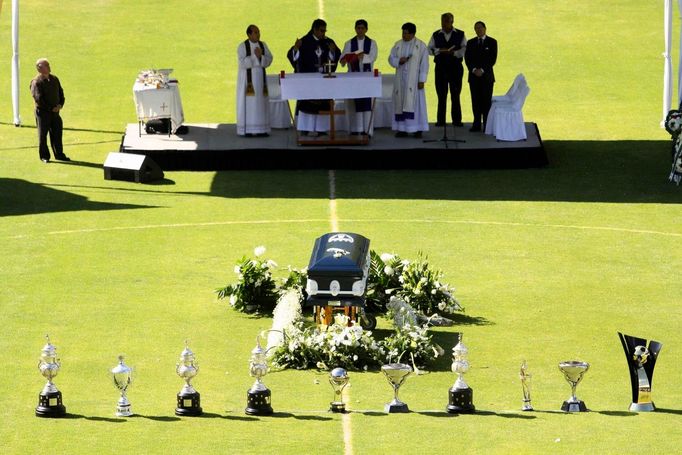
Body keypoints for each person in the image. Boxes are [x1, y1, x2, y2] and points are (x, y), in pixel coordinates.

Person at [287, 18, 340, 136]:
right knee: (308, 103)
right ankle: (306, 128)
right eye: (322, 31)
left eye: (325, 31)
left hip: (323, 80)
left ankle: (321, 129)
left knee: (323, 102)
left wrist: (332, 52)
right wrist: (296, 49)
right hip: (308, 80)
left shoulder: (328, 42)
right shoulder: (304, 42)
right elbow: (293, 56)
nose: (324, 34)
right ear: (314, 30)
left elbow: (335, 56)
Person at [388, 22, 429, 138]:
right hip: (400, 79)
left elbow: (424, 64)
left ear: (413, 34)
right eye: (403, 33)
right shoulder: (398, 44)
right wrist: (398, 61)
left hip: (414, 81)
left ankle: (418, 128)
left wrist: (422, 80)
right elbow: (391, 58)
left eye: (406, 33)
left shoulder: (421, 46)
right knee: (400, 103)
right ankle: (402, 129)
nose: (404, 35)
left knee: (415, 104)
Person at [340, 19, 378, 136]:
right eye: (358, 28)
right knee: (354, 103)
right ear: (355, 29)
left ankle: (367, 130)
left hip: (367, 77)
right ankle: (356, 129)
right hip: (353, 77)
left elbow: (373, 57)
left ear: (366, 29)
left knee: (366, 103)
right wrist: (345, 59)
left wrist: (362, 56)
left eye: (362, 28)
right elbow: (343, 58)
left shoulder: (372, 43)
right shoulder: (349, 43)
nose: (360, 30)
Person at [428, 13, 466, 127]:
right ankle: (441, 121)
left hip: (455, 69)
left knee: (455, 95)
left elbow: (465, 48)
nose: (444, 24)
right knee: (441, 95)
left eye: (446, 22)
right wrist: (440, 50)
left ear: (452, 22)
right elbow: (429, 49)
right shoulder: (436, 34)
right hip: (440, 68)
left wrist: (454, 53)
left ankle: (457, 121)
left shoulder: (460, 34)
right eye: (442, 22)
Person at [236, 25, 273, 137]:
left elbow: (270, 59)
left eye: (258, 32)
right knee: (249, 103)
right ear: (249, 34)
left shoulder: (263, 44)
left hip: (261, 81)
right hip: (248, 82)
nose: (258, 34)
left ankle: (262, 129)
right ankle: (248, 130)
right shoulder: (242, 46)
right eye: (256, 32)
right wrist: (255, 56)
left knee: (260, 103)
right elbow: (242, 63)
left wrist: (261, 57)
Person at [30, 58, 69, 163]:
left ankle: (59, 154)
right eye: (46, 65)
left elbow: (61, 93)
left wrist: (60, 105)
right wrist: (51, 108)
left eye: (48, 64)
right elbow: (38, 99)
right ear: (39, 68)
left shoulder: (54, 79)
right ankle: (44, 156)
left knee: (57, 134)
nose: (49, 66)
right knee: (43, 135)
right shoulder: (36, 82)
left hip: (55, 113)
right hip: (43, 114)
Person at [464, 21, 497, 132]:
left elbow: (492, 59)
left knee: (486, 101)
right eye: (476, 28)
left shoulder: (492, 42)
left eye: (480, 28)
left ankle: (487, 124)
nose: (478, 30)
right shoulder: (470, 42)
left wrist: (482, 70)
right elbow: (467, 59)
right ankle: (476, 124)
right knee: (475, 101)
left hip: (487, 77)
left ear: (485, 28)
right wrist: (474, 70)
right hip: (474, 78)